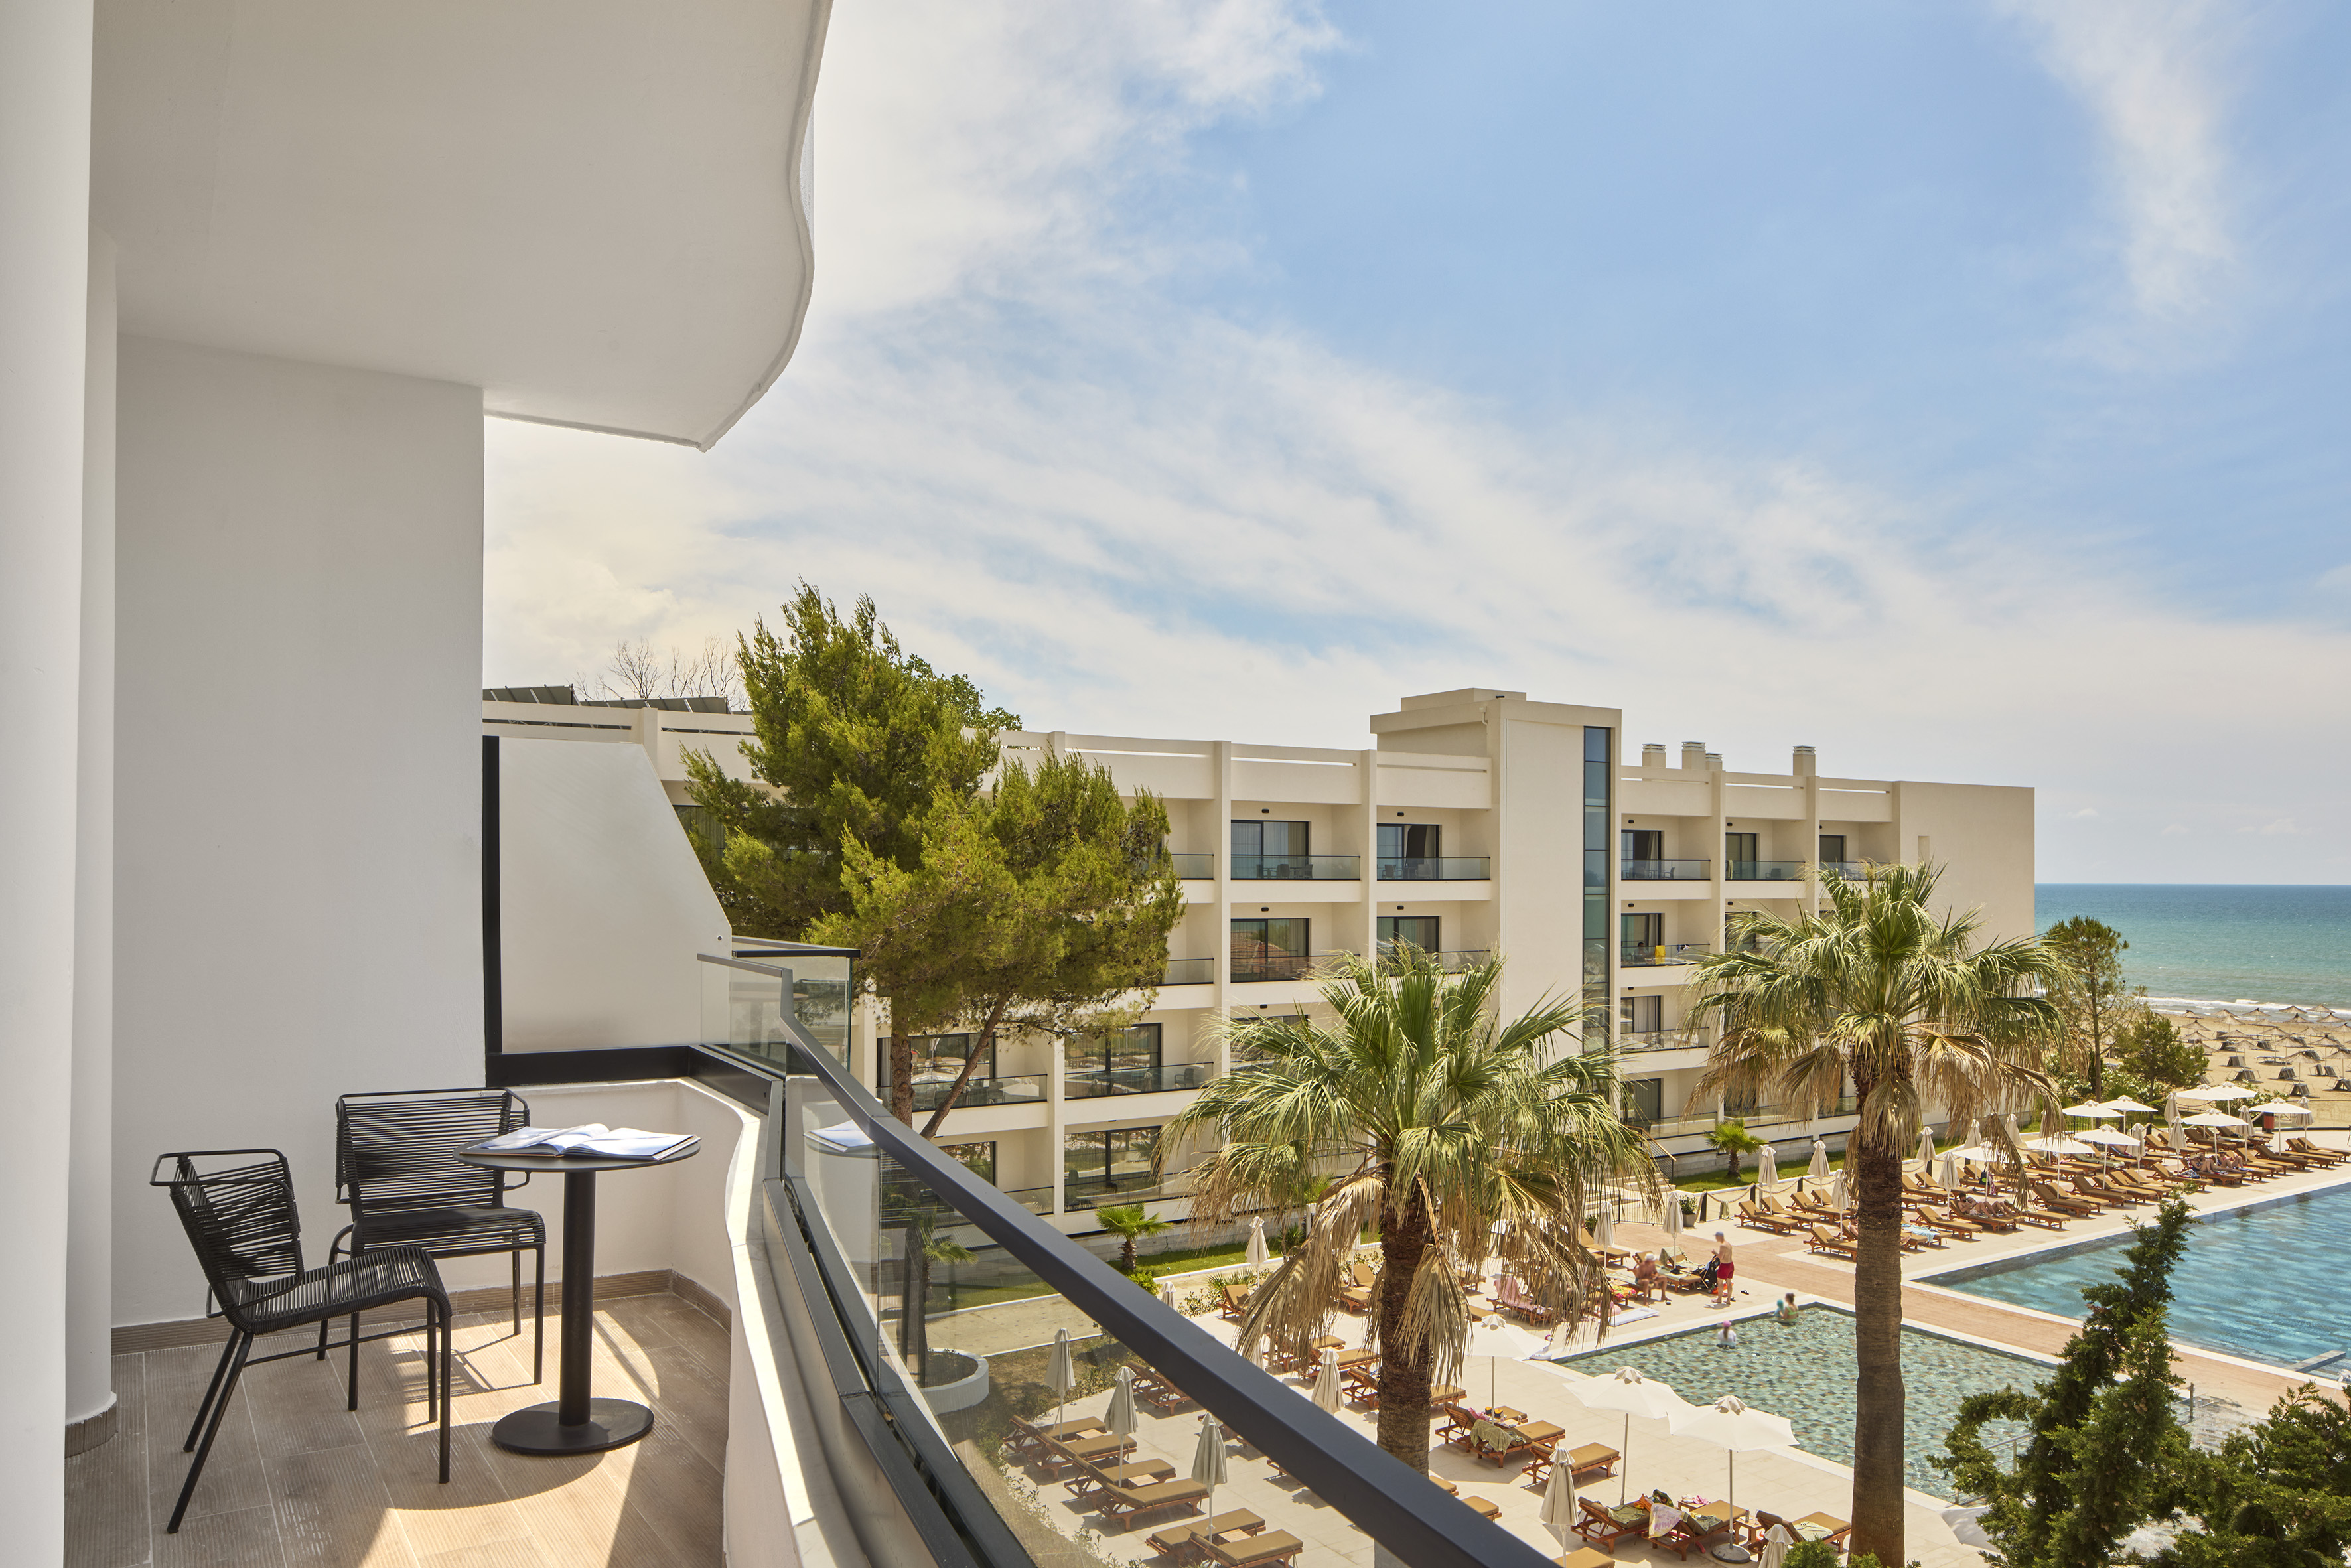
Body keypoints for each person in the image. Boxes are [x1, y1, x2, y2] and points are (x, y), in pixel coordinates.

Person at [1711, 1232, 1735, 1307]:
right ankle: (1728, 1300)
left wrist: (1715, 1253)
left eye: (1717, 1237)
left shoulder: (1723, 1246)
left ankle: (1719, 1299)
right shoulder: (1728, 1244)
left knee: (1720, 1282)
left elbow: (1721, 1257)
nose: (1716, 1239)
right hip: (1731, 1265)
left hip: (1724, 1266)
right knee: (1728, 1282)